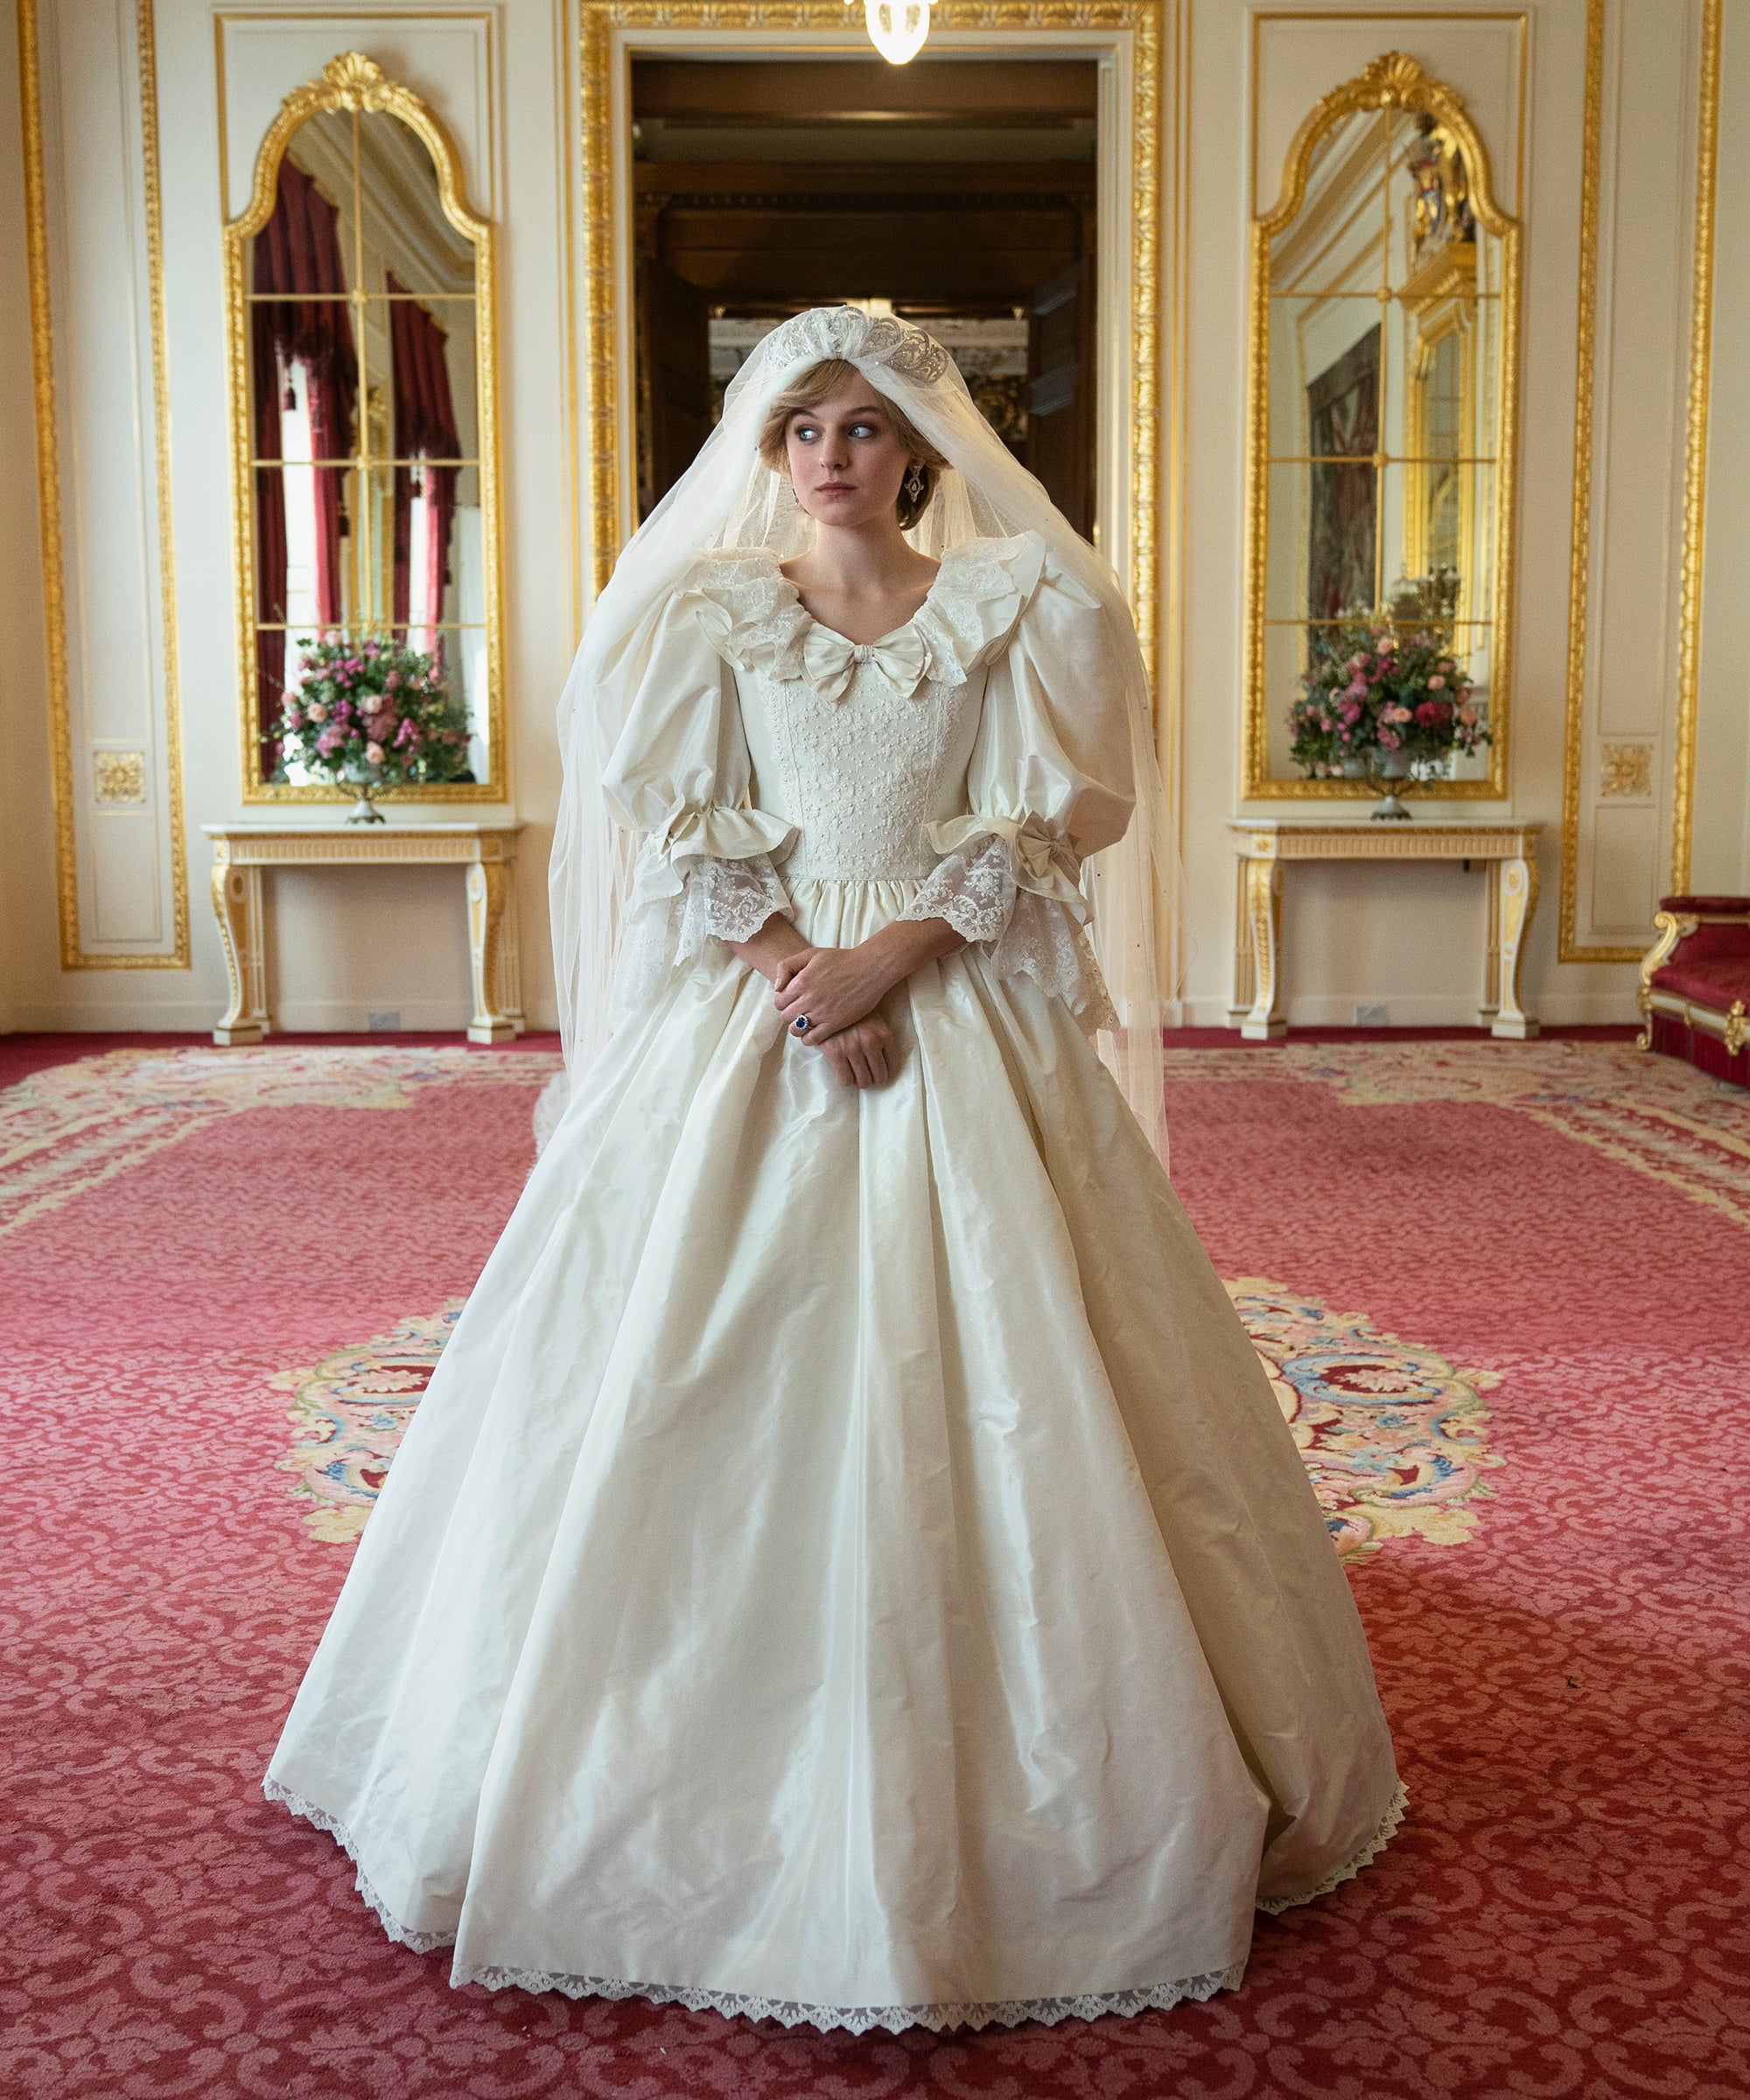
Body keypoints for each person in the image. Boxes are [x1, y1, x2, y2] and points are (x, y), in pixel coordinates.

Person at [266, 305, 1403, 2035]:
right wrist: (805, 972)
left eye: (863, 428)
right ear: (767, 451)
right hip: (763, 1011)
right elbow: (680, 823)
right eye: (802, 428)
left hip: (948, 1006)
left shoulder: (1023, 608)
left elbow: (1044, 828)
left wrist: (897, 961)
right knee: (674, 1370)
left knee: (1032, 1377)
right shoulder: (709, 615)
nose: (831, 456)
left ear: (920, 448)